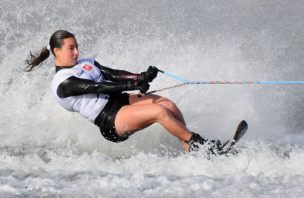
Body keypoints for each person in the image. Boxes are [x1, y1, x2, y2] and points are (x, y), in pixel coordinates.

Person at [25, 30, 222, 153]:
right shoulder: (61, 83)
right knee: (159, 113)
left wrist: (141, 77)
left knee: (168, 105)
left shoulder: (85, 62)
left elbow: (113, 74)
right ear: (56, 51)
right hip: (110, 119)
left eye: (77, 47)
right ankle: (202, 145)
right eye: (71, 48)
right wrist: (132, 86)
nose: (76, 52)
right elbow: (98, 87)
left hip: (121, 101)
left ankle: (188, 146)